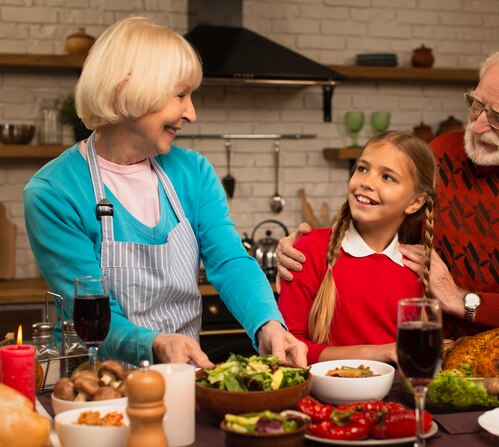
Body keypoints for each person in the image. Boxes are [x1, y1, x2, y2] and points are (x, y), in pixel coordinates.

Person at [23, 16, 307, 368]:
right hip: (99, 388)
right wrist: (155, 344)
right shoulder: (54, 193)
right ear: (127, 91)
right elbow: (92, 314)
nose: (191, 113)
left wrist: (268, 324)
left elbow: (229, 261)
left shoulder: (193, 172)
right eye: (181, 95)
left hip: (185, 382)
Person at [277, 41, 499, 343]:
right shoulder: (442, 153)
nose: (477, 126)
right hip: (431, 354)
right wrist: (308, 250)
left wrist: (464, 300)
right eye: (476, 104)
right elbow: (382, 224)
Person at [277, 131, 437, 365]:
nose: (366, 182)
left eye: (388, 177)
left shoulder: (418, 268)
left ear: (415, 202)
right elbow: (286, 349)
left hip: (395, 401)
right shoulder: (308, 250)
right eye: (362, 169)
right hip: (318, 400)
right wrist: (379, 352)